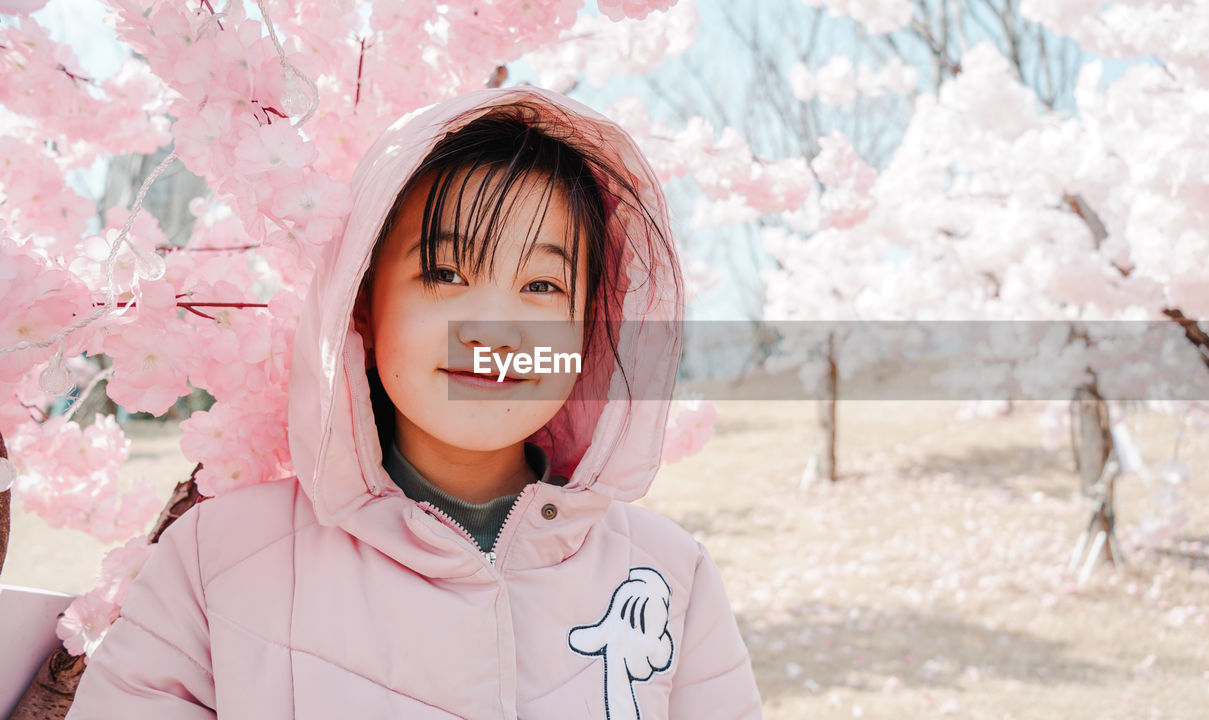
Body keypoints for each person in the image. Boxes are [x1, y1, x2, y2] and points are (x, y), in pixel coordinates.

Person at [66, 86, 763, 719]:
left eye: (543, 287)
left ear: (591, 332)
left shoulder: (669, 575)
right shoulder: (217, 562)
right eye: (445, 272)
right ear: (362, 303)